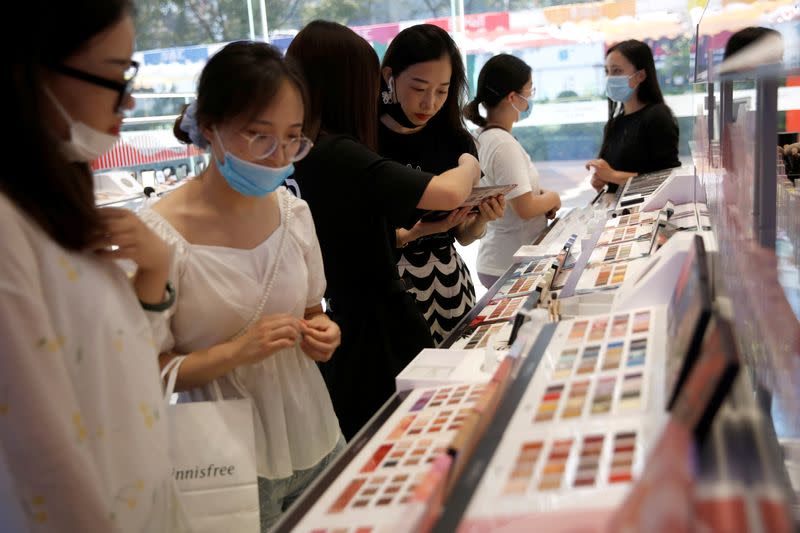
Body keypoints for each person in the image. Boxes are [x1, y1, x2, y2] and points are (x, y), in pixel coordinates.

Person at [139, 42, 345, 531]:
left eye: (293, 138)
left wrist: (324, 332)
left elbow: (313, 309)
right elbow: (146, 372)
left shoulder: (294, 214)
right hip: (225, 462)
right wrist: (237, 351)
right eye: (259, 137)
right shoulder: (158, 238)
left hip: (317, 434)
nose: (278, 158)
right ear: (210, 127)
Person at [1, 0, 186, 531]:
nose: (128, 101)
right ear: (28, 71)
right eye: (114, 76)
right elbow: (40, 453)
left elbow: (114, 361)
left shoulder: (57, 198)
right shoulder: (9, 225)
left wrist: (155, 275)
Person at [286, 20, 481, 439]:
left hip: (346, 319)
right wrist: (470, 161)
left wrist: (415, 234)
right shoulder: (339, 150)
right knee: (420, 438)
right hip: (378, 327)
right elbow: (447, 192)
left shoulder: (298, 151)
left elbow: (339, 236)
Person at [378, 24, 505, 345]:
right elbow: (356, 240)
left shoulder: (455, 140)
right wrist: (416, 233)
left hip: (450, 284)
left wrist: (482, 219)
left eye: (442, 90)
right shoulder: (365, 142)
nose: (430, 103)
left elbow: (464, 236)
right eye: (419, 88)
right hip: (389, 289)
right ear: (389, 76)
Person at [465, 54, 562, 289]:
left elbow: (513, 194)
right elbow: (525, 208)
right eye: (529, 91)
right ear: (512, 97)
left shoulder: (485, 136)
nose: (530, 98)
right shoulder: (502, 143)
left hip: (498, 258)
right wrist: (553, 198)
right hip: (508, 262)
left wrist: (540, 196)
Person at [586, 40, 680, 191]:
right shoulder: (614, 124)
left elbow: (668, 177)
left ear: (641, 75)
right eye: (607, 71)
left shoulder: (658, 116)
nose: (610, 78)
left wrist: (612, 175)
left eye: (616, 71)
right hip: (618, 211)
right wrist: (600, 181)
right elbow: (612, 180)